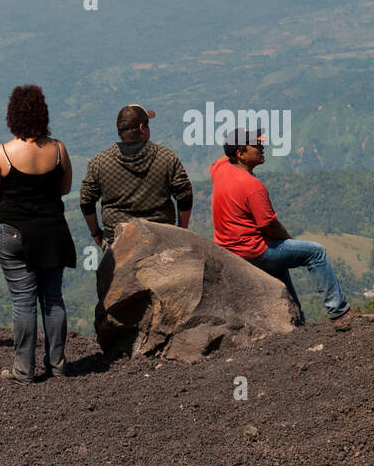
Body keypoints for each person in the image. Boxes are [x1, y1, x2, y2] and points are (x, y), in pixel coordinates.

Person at [0, 84, 76, 383]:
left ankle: (24, 368)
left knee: (23, 301)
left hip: (14, 232)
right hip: (52, 232)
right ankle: (57, 364)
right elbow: (64, 188)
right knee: (53, 298)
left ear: (13, 116)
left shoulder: (3, 153)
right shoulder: (59, 150)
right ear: (43, 114)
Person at [211, 128, 351, 329]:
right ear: (240, 154)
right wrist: (289, 240)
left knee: (280, 266)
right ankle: (339, 312)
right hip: (254, 251)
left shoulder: (220, 168)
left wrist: (234, 144)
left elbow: (225, 156)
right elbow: (269, 226)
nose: (262, 147)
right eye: (256, 145)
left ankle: (297, 320)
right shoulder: (253, 186)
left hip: (229, 248)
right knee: (316, 253)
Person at [79, 104, 193, 249]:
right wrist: (181, 230)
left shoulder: (100, 162)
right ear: (141, 128)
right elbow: (185, 195)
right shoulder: (166, 157)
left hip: (117, 242)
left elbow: (85, 200)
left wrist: (95, 233)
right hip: (161, 240)